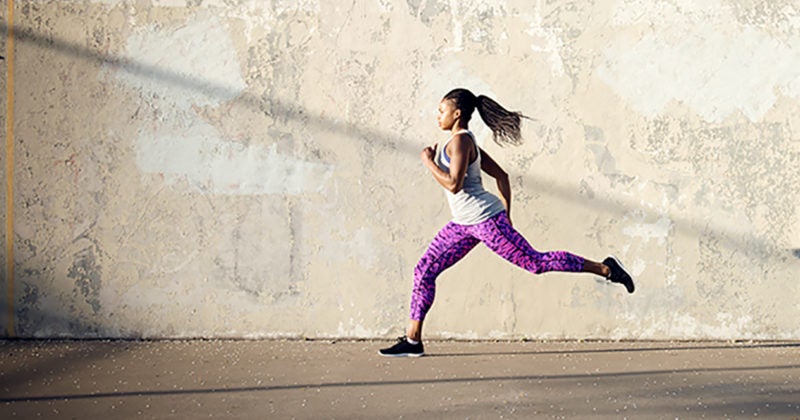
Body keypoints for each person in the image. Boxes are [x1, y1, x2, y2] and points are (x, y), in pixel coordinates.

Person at [379, 88, 635, 357]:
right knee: (424, 270)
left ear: (457, 114)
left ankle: (606, 268)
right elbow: (501, 176)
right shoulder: (460, 142)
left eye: (442, 111)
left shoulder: (461, 142)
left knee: (535, 263)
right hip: (463, 224)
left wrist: (428, 162)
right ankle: (413, 340)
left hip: (485, 220)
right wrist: (507, 215)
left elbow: (454, 184)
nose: (438, 116)